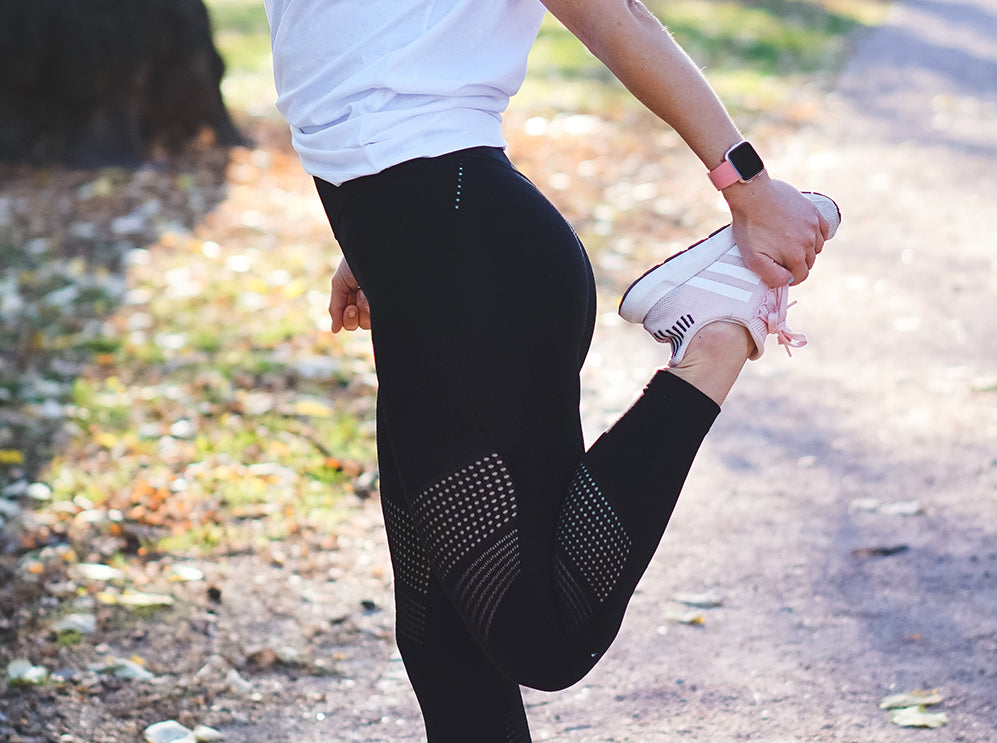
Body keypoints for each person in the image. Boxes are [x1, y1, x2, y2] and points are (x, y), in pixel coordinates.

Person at [263, 0, 836, 739]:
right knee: (445, 643)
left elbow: (615, 18)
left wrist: (750, 189)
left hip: (475, 257)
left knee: (543, 630)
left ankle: (721, 334)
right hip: (422, 254)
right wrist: (376, 245)